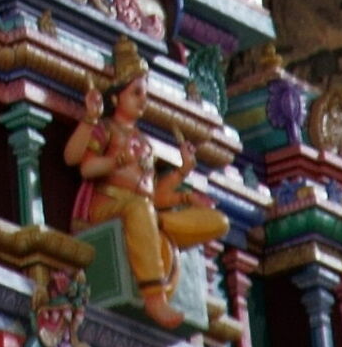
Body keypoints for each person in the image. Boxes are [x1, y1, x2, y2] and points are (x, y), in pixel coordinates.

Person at [65, 40, 227, 328]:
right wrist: (115, 159)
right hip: (108, 206)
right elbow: (84, 164)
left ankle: (152, 243)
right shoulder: (106, 129)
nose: (143, 100)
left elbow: (156, 198)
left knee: (218, 221)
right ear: (116, 98)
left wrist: (182, 179)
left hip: (142, 213)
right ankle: (154, 298)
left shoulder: (144, 143)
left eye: (145, 94)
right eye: (136, 93)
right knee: (140, 209)